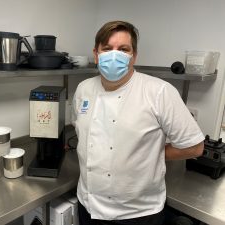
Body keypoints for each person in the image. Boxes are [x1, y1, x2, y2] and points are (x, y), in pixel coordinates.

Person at [71, 20, 204, 225]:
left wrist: (152, 153)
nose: (114, 55)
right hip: (88, 206)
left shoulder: (159, 91)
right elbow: (82, 133)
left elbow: (195, 147)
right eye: (107, 49)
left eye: (123, 49)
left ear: (134, 56)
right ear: (96, 55)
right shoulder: (83, 89)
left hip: (138, 214)